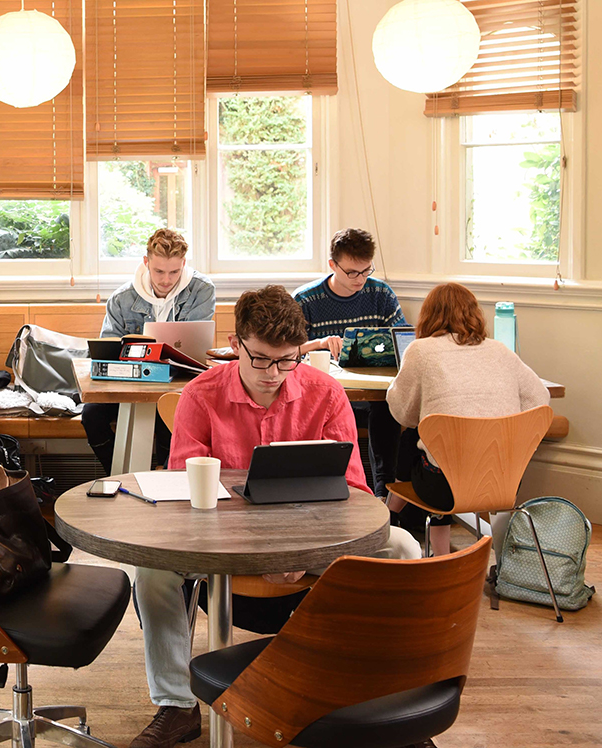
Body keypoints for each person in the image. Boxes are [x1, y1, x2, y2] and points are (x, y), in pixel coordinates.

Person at [128, 286, 420, 748]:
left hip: (311, 546)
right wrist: (256, 552)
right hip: (224, 550)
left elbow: (357, 494)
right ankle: (176, 705)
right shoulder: (200, 396)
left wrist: (303, 550)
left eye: (287, 361)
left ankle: (386, 702)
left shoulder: (325, 394)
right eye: (261, 359)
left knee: (403, 547)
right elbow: (186, 498)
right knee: (151, 570)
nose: (273, 374)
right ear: (235, 343)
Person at [386, 282, 550, 557]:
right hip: (505, 483)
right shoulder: (500, 350)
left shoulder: (420, 350)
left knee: (415, 440)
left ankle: (392, 517)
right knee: (437, 449)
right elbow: (540, 398)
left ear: (429, 315)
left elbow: (402, 414)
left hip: (442, 490)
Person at [84, 228, 215, 474]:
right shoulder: (121, 298)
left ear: (184, 264)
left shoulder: (201, 291)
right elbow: (108, 348)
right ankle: (121, 475)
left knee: (172, 414)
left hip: (179, 384)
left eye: (175, 271)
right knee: (91, 416)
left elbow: (196, 348)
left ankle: (167, 475)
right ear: (146, 262)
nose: (166, 280)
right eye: (159, 271)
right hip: (131, 384)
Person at [293, 228, 407, 501]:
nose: (360, 279)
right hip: (324, 395)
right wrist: (319, 343)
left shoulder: (380, 294)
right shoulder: (306, 299)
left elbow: (404, 344)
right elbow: (285, 350)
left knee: (389, 406)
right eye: (352, 273)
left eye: (366, 270)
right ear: (332, 265)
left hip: (374, 396)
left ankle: (383, 495)